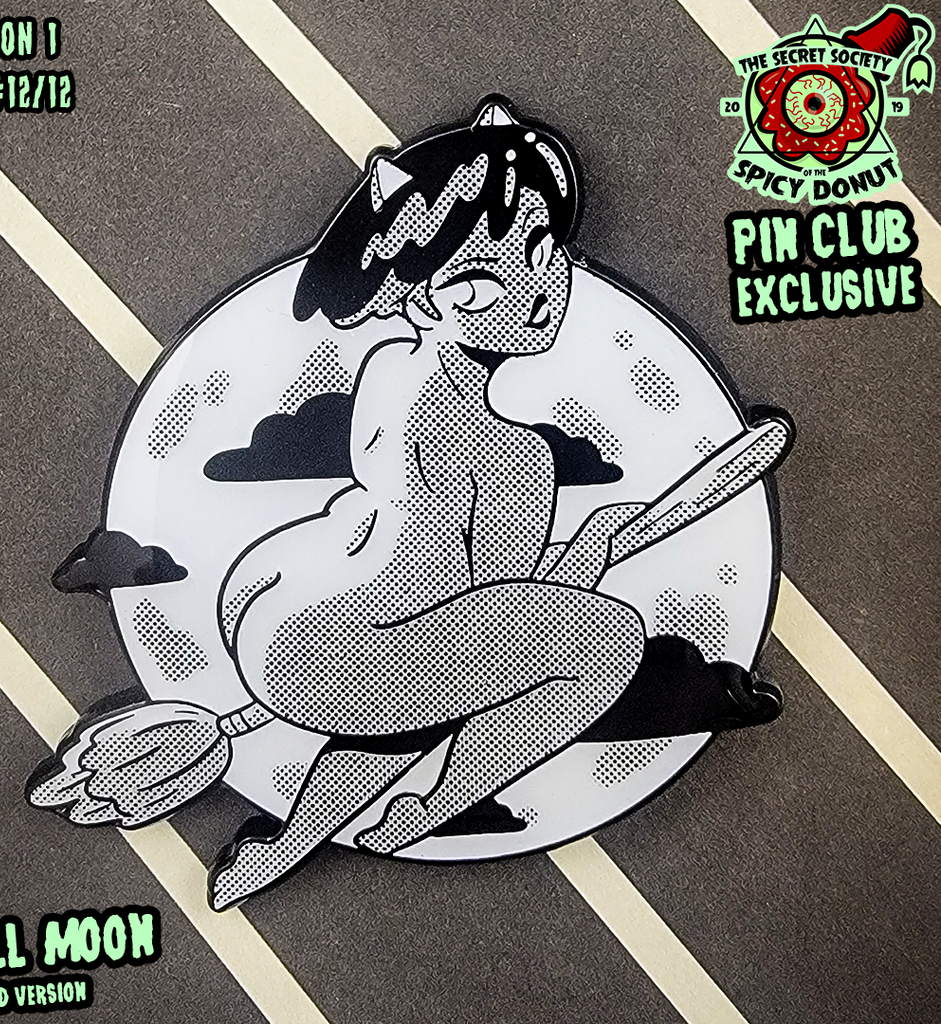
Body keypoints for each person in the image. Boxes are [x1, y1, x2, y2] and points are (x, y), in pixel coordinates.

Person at [210, 101, 782, 909]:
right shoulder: (513, 455)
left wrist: (577, 557)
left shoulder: (390, 370)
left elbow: (466, 611)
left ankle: (287, 845)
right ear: (420, 300)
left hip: (273, 603)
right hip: (337, 650)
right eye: (482, 284)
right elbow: (487, 617)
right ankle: (435, 805)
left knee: (437, 678)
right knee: (605, 642)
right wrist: (591, 553)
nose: (536, 292)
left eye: (544, 254)